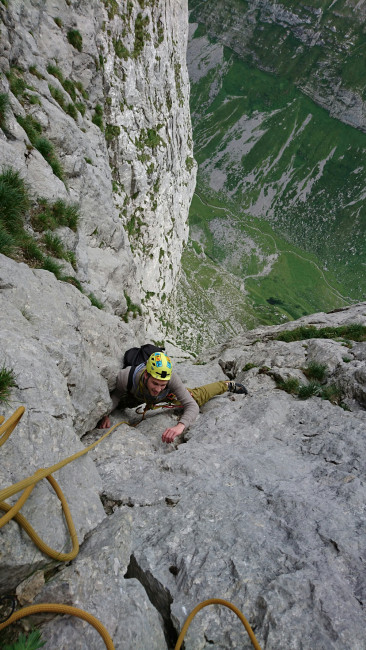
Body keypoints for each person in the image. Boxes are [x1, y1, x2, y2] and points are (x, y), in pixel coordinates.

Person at [98, 351, 247, 443]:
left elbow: (191, 405)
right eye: (155, 383)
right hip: (136, 395)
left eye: (163, 384)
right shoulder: (127, 377)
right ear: (146, 375)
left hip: (165, 397)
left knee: (196, 397)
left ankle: (226, 385)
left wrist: (180, 426)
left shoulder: (171, 379)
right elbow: (116, 395)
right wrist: (106, 413)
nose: (158, 388)